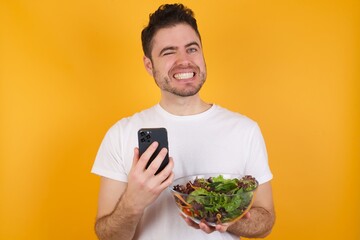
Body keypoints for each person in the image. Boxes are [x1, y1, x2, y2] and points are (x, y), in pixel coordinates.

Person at [91, 3, 275, 240]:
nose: (184, 60)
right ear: (149, 65)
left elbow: (266, 220)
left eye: (191, 49)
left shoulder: (244, 130)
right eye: (169, 52)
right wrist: (132, 202)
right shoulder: (121, 134)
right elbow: (107, 236)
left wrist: (222, 218)